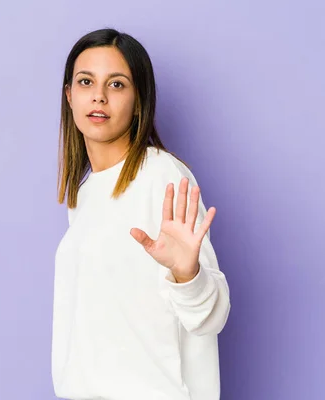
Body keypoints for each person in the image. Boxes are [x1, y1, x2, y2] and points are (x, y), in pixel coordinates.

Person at [52, 27, 231, 400]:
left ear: (139, 100)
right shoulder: (84, 196)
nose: (98, 96)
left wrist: (188, 275)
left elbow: (211, 317)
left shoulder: (162, 176)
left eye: (116, 85)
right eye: (86, 82)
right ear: (69, 95)